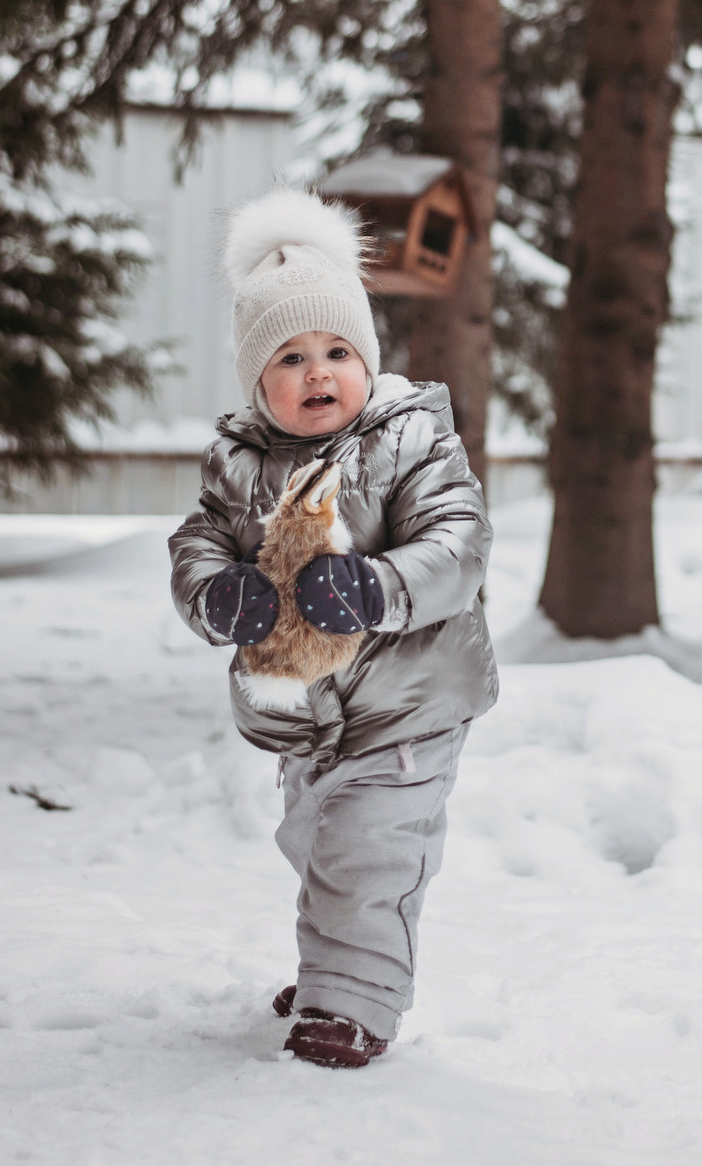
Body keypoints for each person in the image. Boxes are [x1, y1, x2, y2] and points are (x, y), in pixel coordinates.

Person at [168, 187, 497, 1069]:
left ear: (368, 357)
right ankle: (332, 967)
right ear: (255, 377)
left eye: (337, 350)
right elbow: (198, 543)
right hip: (307, 718)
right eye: (291, 355)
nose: (319, 372)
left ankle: (352, 1002)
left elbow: (460, 545)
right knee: (318, 844)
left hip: (407, 707)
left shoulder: (410, 438)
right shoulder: (239, 462)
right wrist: (217, 593)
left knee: (369, 853)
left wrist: (380, 585)